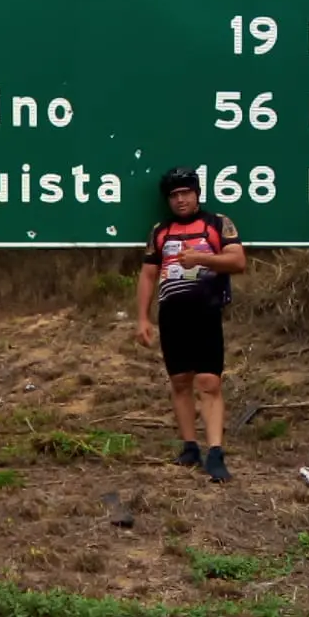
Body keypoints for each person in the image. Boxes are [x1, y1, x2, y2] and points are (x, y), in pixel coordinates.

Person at [135, 166, 247, 483]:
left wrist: (201, 259)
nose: (181, 200)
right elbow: (147, 275)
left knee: (210, 382)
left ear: (197, 193)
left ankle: (215, 452)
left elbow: (238, 261)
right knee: (180, 381)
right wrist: (143, 318)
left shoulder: (216, 224)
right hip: (172, 315)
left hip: (206, 311)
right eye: (174, 195)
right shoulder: (160, 231)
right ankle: (189, 447)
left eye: (186, 193)